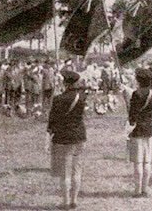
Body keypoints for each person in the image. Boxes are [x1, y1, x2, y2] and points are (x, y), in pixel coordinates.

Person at [47, 70, 87, 210]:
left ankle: (65, 202)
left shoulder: (58, 99)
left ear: (64, 82)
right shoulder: (81, 97)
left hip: (63, 137)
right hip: (78, 136)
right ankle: (74, 200)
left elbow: (52, 121)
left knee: (65, 173)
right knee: (76, 170)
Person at [123, 68, 152, 197]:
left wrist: (126, 99)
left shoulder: (136, 94)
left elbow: (132, 114)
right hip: (148, 128)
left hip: (137, 129)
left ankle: (137, 190)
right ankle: (145, 189)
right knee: (146, 161)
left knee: (137, 162)